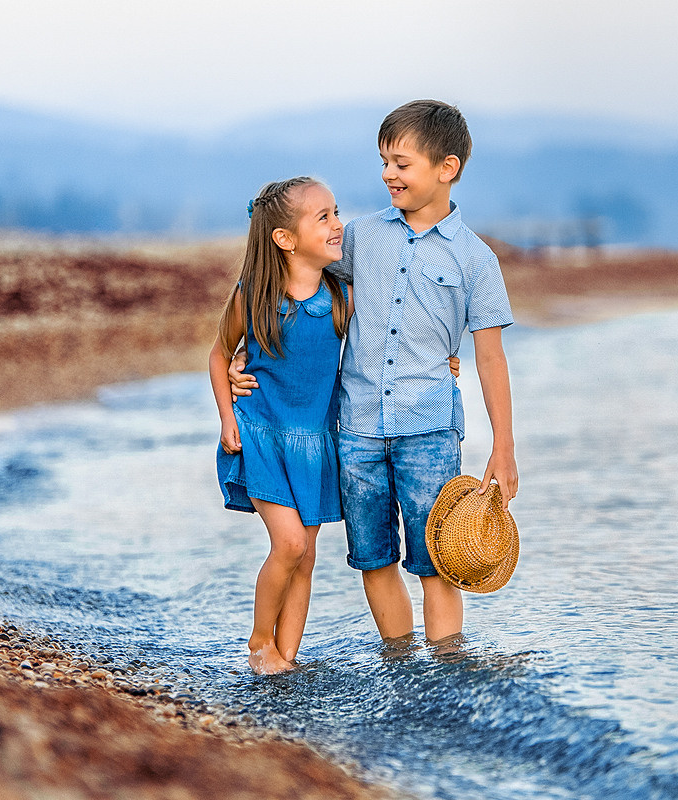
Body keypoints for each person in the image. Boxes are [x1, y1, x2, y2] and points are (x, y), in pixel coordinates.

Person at [231, 100, 519, 645]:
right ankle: (400, 668)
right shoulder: (361, 237)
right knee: (373, 559)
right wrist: (245, 350)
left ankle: (442, 679)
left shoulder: (476, 260)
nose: (388, 173)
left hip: (429, 428)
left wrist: (503, 449)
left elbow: (491, 358)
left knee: (438, 562)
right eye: (384, 161)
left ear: (447, 168)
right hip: (357, 428)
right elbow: (293, 274)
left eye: (401, 163)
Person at [208, 176, 349, 675]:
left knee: (305, 556)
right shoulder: (255, 296)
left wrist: (440, 360)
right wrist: (227, 417)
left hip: (314, 444)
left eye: (336, 212)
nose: (337, 224)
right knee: (288, 544)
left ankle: (285, 661)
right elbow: (220, 353)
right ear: (285, 238)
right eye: (323, 217)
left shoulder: (341, 297)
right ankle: (259, 641)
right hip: (262, 435)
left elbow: (384, 345)